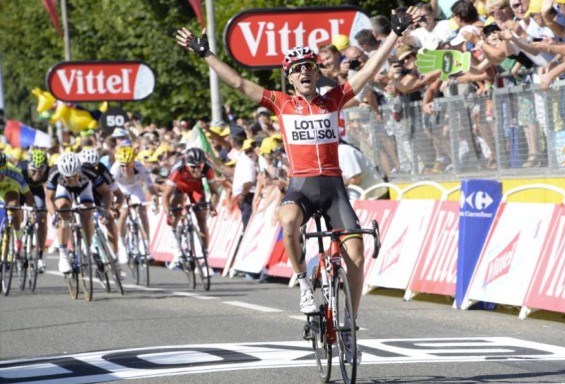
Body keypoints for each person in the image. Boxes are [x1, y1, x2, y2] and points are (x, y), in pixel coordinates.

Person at [177, 7, 414, 365]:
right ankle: (304, 285)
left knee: (357, 252)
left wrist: (395, 35)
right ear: (290, 77)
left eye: (309, 66)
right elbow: (239, 83)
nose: (304, 72)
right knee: (287, 220)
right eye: (297, 69)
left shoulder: (333, 98)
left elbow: (367, 72)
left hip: (334, 190)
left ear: (317, 72)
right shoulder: (280, 102)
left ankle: (349, 326)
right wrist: (206, 54)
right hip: (301, 188)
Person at [45, 152, 111, 274]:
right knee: (63, 213)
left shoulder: (88, 170)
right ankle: (63, 255)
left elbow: (106, 192)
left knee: (87, 214)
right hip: (63, 188)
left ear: (79, 170)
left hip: (84, 186)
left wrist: (106, 211)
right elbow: (49, 198)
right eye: (68, 178)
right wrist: (54, 214)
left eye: (75, 176)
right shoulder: (55, 173)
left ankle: (87, 246)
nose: (72, 180)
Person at [162, 147, 219, 271]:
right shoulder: (178, 169)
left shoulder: (208, 169)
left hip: (196, 189)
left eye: (199, 166)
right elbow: (166, 196)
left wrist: (212, 206)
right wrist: (168, 212)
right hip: (179, 187)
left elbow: (215, 192)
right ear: (186, 164)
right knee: (176, 209)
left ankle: (204, 259)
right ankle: (177, 249)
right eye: (192, 167)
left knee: (202, 221)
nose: (196, 169)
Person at [111, 146, 159, 262]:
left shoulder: (140, 167)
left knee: (142, 212)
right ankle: (122, 246)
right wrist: (113, 205)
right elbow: (110, 189)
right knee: (123, 213)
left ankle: (146, 247)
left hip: (135, 188)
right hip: (120, 189)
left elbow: (149, 185)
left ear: (133, 162)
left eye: (128, 164)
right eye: (122, 165)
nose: (125, 168)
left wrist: (154, 196)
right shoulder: (115, 170)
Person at [17, 149, 51, 273]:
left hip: (37, 191)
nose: (37, 174)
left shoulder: (49, 171)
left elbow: (50, 193)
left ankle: (40, 256)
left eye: (40, 171)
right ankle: (17, 245)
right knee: (17, 214)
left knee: (42, 219)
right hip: (21, 190)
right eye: (34, 170)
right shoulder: (21, 169)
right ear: (28, 166)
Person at [0, 151, 35, 259]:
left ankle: (17, 237)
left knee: (14, 205)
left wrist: (32, 212)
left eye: (2, 173)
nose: (0, 177)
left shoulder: (15, 174)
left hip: (8, 189)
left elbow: (28, 195)